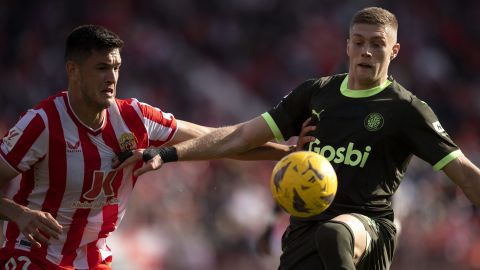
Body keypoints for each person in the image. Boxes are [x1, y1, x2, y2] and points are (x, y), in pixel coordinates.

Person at [117, 6, 480, 270]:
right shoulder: (315, 95)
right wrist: (169, 155)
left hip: (366, 231)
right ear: (347, 46)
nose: (367, 51)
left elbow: (463, 172)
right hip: (303, 236)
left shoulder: (407, 110)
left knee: (335, 234)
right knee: (323, 235)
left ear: (394, 50)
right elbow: (242, 138)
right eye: (359, 42)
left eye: (378, 44)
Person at [0, 25, 299, 269]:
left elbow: (222, 141)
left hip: (91, 260)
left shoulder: (136, 118)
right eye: (102, 68)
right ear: (73, 70)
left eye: (116, 67)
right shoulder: (42, 123)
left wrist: (286, 152)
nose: (112, 78)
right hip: (31, 254)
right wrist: (18, 213)